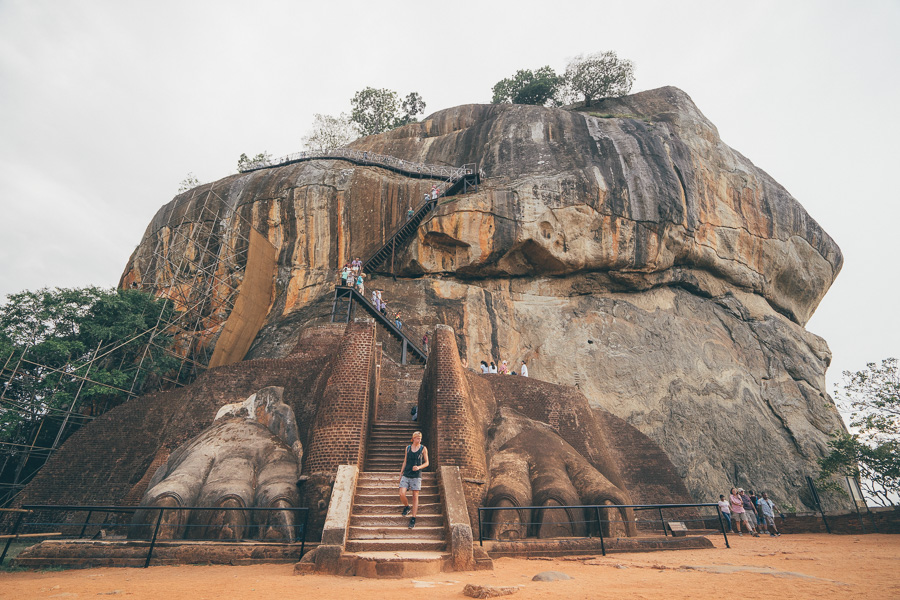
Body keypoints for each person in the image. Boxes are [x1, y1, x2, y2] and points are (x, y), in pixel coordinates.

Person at [399, 431, 429, 529]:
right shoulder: (408, 448)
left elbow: (427, 462)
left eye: (420, 438)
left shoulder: (423, 448)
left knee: (415, 496)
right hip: (406, 474)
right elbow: (405, 461)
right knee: (402, 493)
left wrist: (419, 467)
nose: (419, 440)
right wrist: (401, 473)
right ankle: (407, 506)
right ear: (413, 438)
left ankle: (413, 518)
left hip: (416, 475)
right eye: (418, 438)